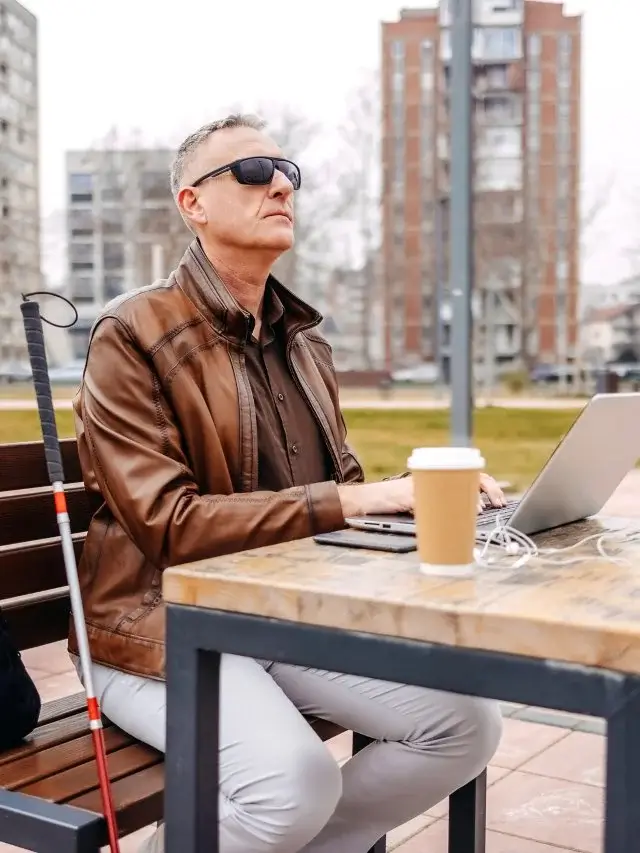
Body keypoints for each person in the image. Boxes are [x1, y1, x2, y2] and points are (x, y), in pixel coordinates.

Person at [69, 114, 504, 853]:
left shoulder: (305, 343)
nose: (279, 183)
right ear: (192, 203)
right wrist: (353, 499)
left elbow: (344, 490)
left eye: (287, 172)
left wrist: (420, 487)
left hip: (277, 618)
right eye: (250, 170)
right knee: (294, 782)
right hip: (154, 628)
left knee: (465, 722)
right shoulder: (133, 332)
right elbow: (168, 524)